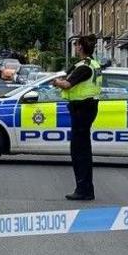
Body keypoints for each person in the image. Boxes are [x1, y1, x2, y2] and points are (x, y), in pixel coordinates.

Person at [51, 37, 100, 201]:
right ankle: (85, 188)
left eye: (77, 45)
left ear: (81, 47)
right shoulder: (92, 64)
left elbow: (67, 85)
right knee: (83, 150)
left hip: (82, 110)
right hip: (87, 108)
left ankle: (84, 190)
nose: (75, 47)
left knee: (79, 152)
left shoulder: (84, 67)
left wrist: (57, 82)